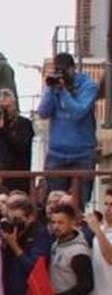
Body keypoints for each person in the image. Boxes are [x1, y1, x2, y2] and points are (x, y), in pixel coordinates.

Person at [38, 52, 99, 194]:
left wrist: (63, 91)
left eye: (64, 70)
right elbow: (43, 112)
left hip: (82, 154)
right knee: (55, 202)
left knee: (79, 202)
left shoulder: (88, 86)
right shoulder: (55, 87)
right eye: (57, 70)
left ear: (73, 69)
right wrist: (50, 90)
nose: (61, 74)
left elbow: (78, 112)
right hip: (56, 154)